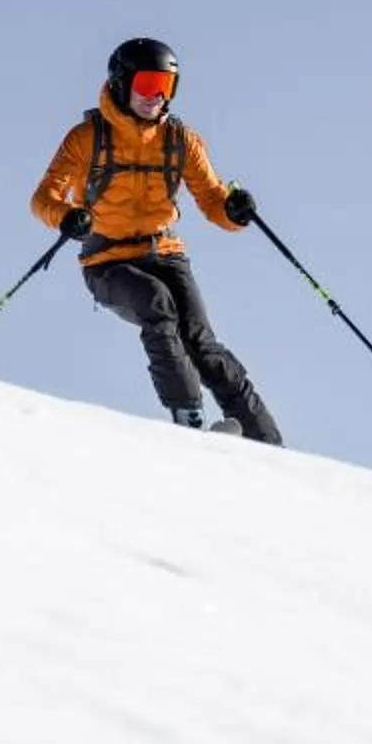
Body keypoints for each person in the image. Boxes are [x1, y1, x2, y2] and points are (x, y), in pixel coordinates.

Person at [30, 37, 282, 443]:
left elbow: (212, 198)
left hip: (164, 253)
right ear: (121, 83)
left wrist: (235, 211)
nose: (155, 97)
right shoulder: (86, 139)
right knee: (157, 307)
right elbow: (44, 198)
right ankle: (190, 421)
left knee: (201, 342)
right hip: (107, 261)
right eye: (146, 85)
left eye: (165, 86)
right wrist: (67, 216)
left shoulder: (182, 141)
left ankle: (264, 439)